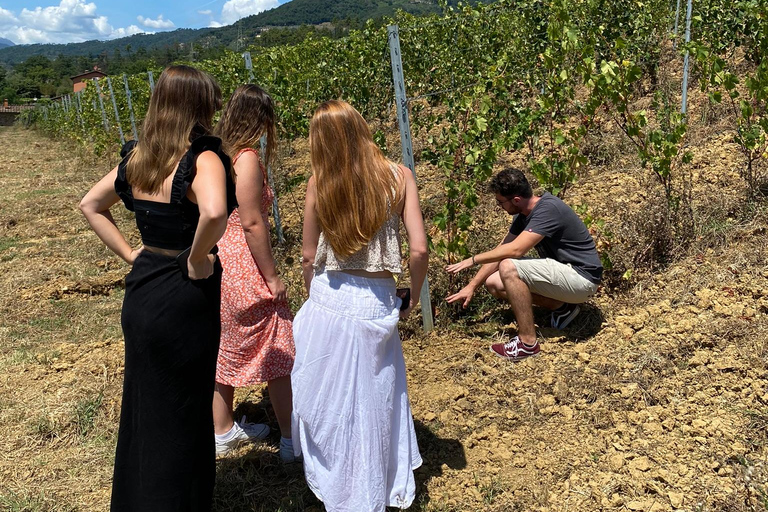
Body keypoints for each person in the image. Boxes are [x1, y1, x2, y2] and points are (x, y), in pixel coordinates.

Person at [79, 65, 235, 511]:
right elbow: (214, 212)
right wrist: (197, 256)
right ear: (195, 105)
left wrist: (132, 254)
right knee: (184, 409)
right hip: (185, 295)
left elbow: (90, 205)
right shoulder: (201, 158)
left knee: (145, 408)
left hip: (143, 289)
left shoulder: (140, 156)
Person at [292, 100, 428, 512]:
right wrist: (411, 296)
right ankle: (375, 482)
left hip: (330, 295)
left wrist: (310, 296)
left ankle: (338, 481)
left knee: (328, 397)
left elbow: (306, 255)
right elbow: (419, 249)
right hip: (376, 300)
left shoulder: (320, 181)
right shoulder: (399, 176)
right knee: (377, 397)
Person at [211, 84, 297, 461]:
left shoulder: (220, 154)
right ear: (258, 118)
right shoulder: (245, 158)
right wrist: (273, 276)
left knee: (226, 348)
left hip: (222, 260)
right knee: (278, 349)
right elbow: (251, 223)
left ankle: (223, 430)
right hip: (244, 262)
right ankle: (292, 441)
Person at [446, 168, 602, 361]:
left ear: (516, 200)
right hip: (567, 275)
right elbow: (502, 248)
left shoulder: (547, 209)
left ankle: (527, 343)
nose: (499, 206)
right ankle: (562, 308)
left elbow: (515, 251)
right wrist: (471, 286)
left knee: (508, 266)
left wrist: (473, 259)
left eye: (500, 202)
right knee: (494, 282)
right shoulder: (523, 216)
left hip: (582, 278)